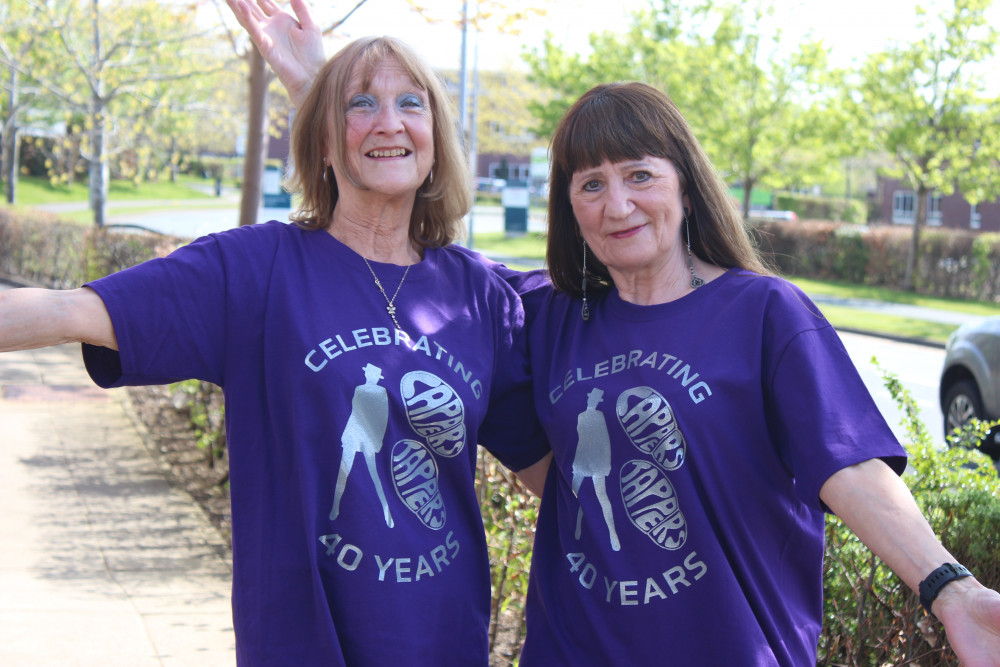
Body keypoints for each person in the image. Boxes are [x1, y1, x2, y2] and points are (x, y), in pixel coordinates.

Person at [243, 4, 1000, 663]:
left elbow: (852, 468)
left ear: (682, 182)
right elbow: (400, 247)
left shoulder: (764, 314)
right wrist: (324, 91)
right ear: (570, 205)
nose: (617, 203)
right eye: (591, 184)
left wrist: (949, 588)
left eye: (639, 175)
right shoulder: (548, 318)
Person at [0, 30, 550, 667]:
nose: (389, 122)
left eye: (411, 103)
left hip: (444, 645)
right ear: (321, 142)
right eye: (359, 104)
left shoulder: (476, 295)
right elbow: (69, 310)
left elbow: (546, 473)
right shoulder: (257, 270)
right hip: (300, 645)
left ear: (437, 140)